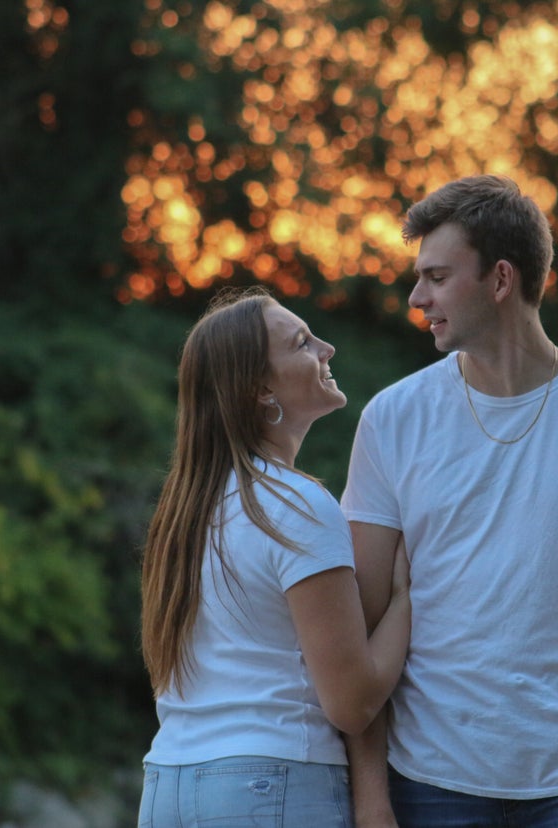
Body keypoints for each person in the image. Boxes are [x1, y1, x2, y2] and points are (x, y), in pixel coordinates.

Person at [340, 175, 558, 828]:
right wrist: (371, 800)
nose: (417, 298)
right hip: (428, 786)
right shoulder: (393, 419)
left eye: (437, 277)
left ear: (501, 279)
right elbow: (362, 625)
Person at [138, 288, 412, 827]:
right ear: (261, 389)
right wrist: (407, 598)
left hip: (167, 783)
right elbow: (352, 703)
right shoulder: (296, 505)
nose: (327, 349)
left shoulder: (182, 515)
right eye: (303, 343)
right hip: (269, 782)